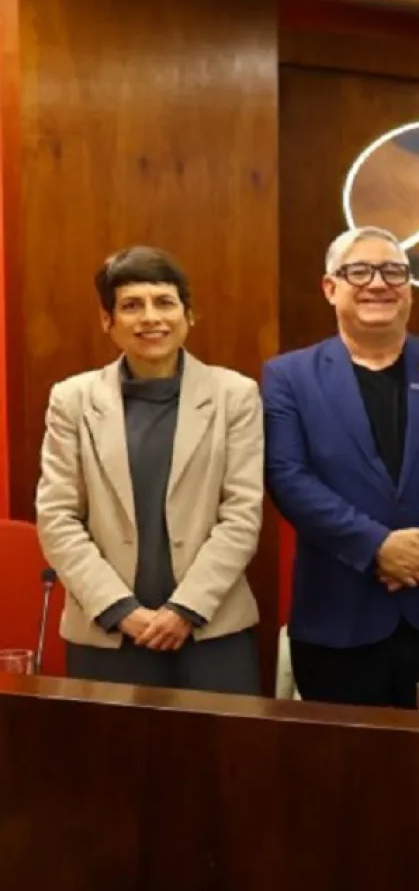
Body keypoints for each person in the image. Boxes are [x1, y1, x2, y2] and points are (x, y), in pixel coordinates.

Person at [264, 227, 419, 708]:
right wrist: (377, 547)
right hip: (338, 615)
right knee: (340, 772)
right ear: (330, 288)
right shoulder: (288, 376)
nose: (379, 283)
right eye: (359, 271)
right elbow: (289, 477)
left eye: (394, 271)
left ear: (410, 288)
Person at [36, 246, 264, 694]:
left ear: (188, 314)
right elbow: (57, 517)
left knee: (223, 762)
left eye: (164, 302)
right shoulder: (72, 400)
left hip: (212, 630)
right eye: (131, 306)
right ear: (108, 320)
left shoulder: (234, 395)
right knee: (111, 762)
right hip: (107, 633)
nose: (150, 318)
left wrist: (186, 609)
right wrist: (121, 610)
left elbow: (242, 514)